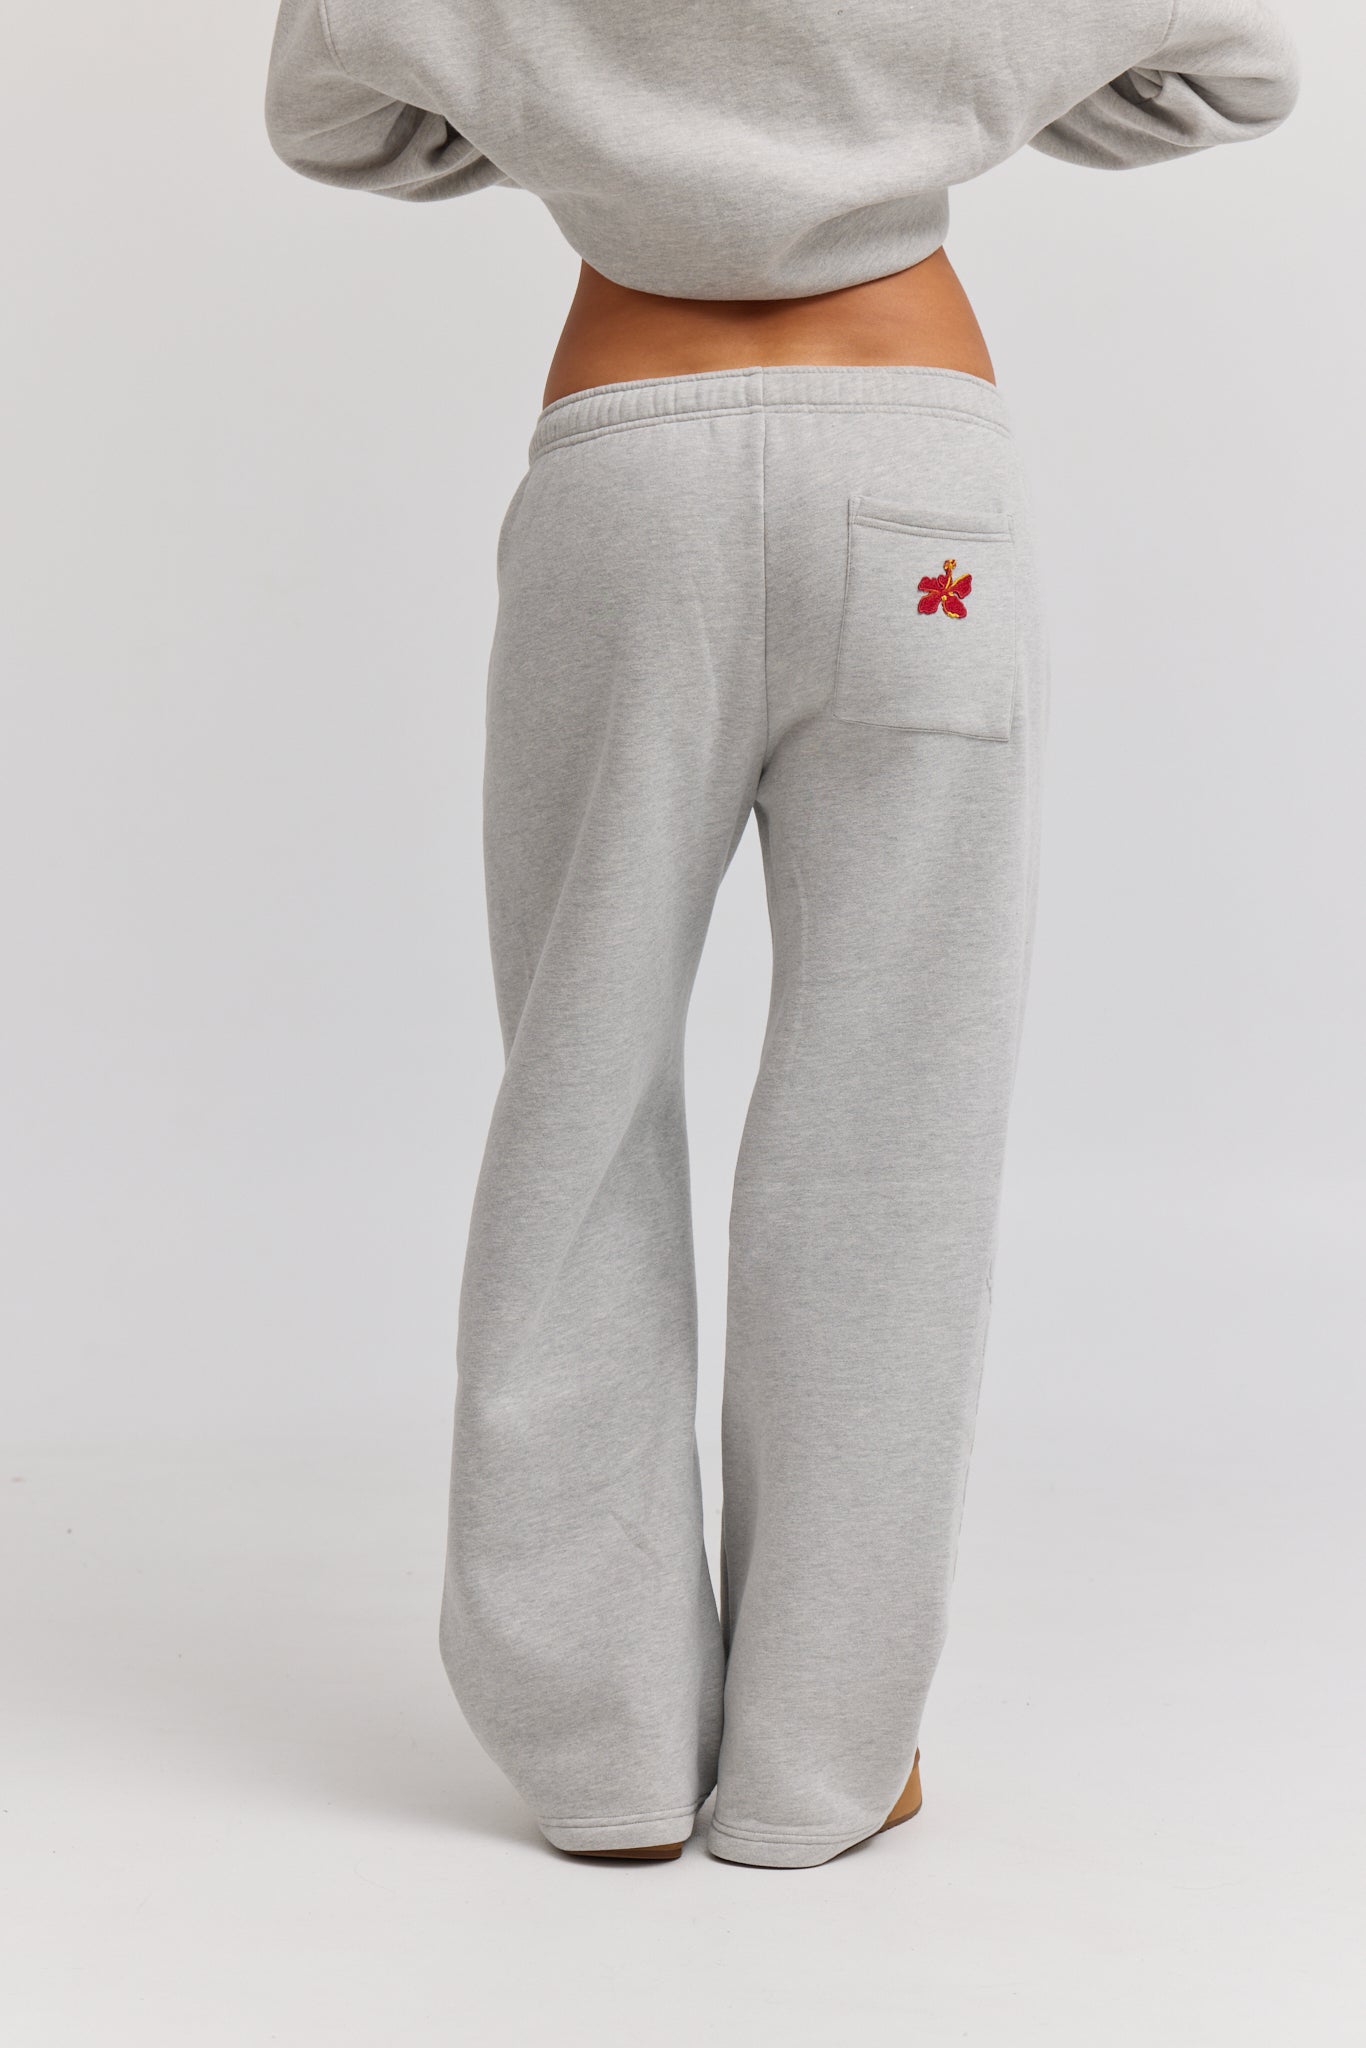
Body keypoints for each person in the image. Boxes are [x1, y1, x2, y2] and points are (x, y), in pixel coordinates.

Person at [263, 0, 1299, 1869]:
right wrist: (944, 105)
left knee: (577, 1100)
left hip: (626, 477)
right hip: (911, 474)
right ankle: (823, 1765)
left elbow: (332, 108)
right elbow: (1233, 64)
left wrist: (594, 125)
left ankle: (600, 1754)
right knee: (892, 1126)